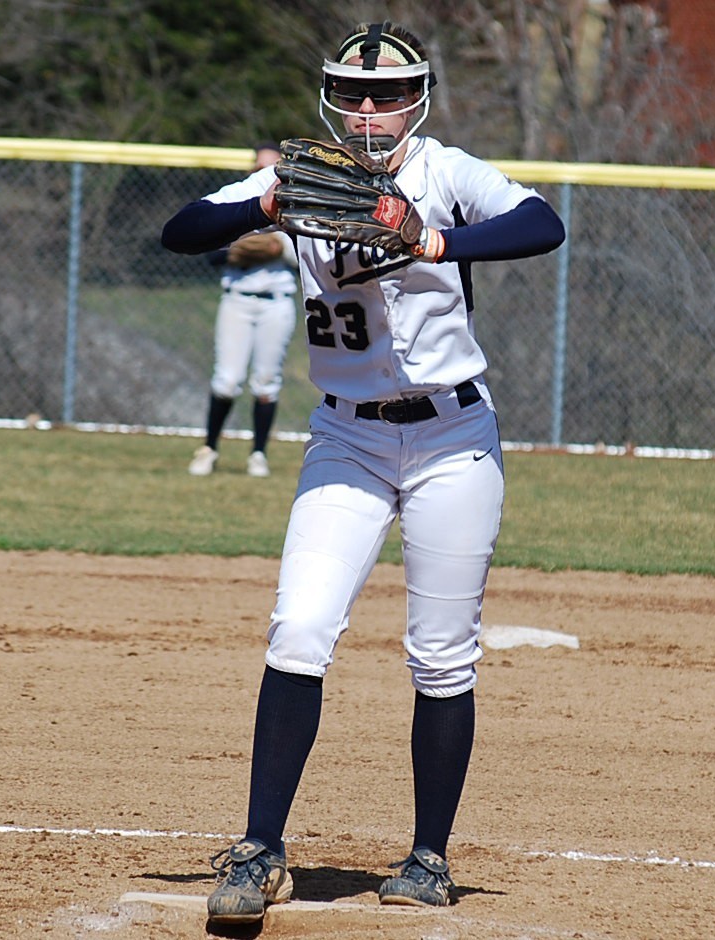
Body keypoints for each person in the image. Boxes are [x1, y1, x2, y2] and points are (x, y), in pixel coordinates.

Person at [160, 21, 565, 925]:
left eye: (386, 92)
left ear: (419, 97)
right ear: (331, 98)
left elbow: (543, 224)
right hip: (346, 439)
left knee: (440, 654)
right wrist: (264, 208)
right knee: (299, 628)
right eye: (352, 91)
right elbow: (182, 230)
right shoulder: (294, 174)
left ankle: (428, 857)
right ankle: (260, 848)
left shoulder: (445, 173)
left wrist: (434, 244)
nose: (369, 107)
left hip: (452, 439)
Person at [187, 143, 299, 478]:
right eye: (259, 167)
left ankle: (258, 454)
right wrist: (237, 248)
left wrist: (278, 246)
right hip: (237, 297)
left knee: (266, 381)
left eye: (273, 167)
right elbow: (209, 251)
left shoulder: (299, 205)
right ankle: (209, 448)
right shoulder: (239, 203)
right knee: (227, 379)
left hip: (276, 301)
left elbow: (306, 259)